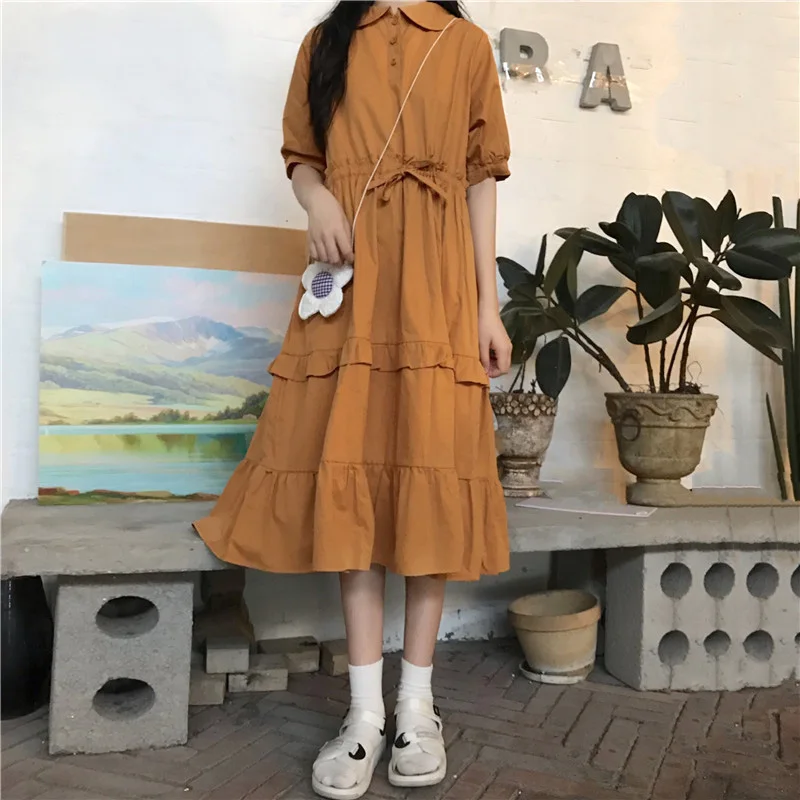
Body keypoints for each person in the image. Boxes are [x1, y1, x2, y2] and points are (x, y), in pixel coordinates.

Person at [194, 1, 512, 796]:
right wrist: (319, 201)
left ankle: (417, 709)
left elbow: (480, 182)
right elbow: (302, 156)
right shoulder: (325, 42)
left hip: (438, 289)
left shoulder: (467, 45)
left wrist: (487, 307)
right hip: (356, 284)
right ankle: (365, 713)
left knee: (430, 486)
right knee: (354, 483)